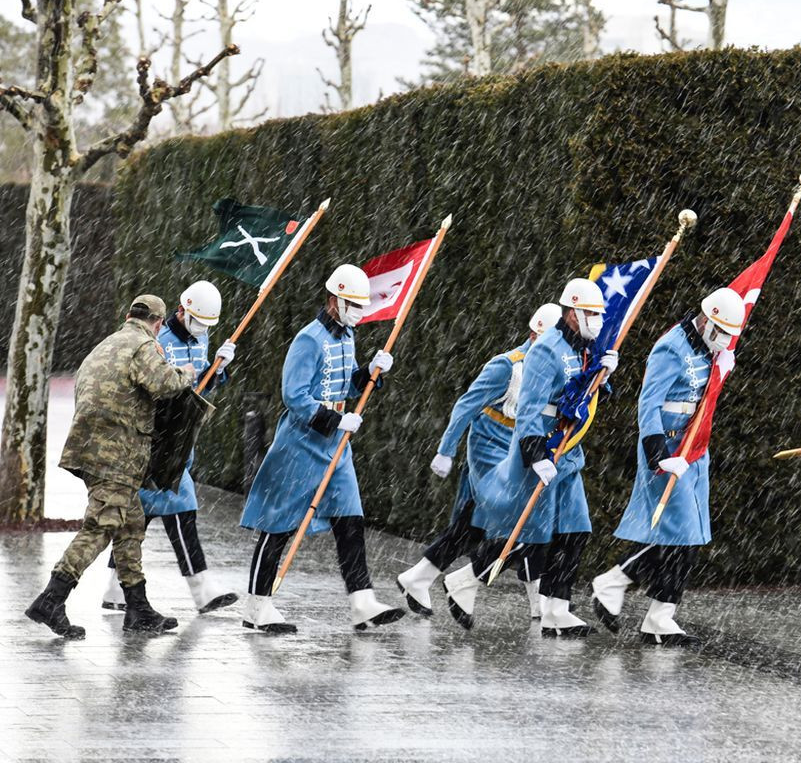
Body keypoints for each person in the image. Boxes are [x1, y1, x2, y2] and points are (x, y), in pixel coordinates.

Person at [445, 278, 618, 637]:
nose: (596, 320)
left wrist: (605, 373)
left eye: (598, 314)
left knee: (575, 531)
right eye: (589, 313)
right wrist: (536, 453)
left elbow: (583, 389)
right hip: (544, 448)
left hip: (568, 451)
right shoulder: (546, 350)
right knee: (528, 536)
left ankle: (557, 609)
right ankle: (464, 580)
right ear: (571, 312)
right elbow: (529, 409)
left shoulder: (585, 348)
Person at [238, 264, 403, 634]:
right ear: (333, 300)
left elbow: (346, 388)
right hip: (301, 444)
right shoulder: (309, 339)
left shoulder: (347, 338)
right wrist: (333, 419)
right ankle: (257, 605)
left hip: (336, 446)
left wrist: (371, 374)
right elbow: (294, 395)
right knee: (278, 524)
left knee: (350, 520)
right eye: (352, 304)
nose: (358, 311)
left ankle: (362, 602)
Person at [26, 295, 195, 638]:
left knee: (131, 524)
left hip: (92, 451)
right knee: (101, 526)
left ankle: (138, 608)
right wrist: (187, 373)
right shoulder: (143, 345)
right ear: (159, 323)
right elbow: (164, 384)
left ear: (128, 315)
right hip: (118, 455)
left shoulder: (104, 346)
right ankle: (51, 599)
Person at [590, 288, 746, 647]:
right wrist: (658, 453)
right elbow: (648, 403)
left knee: (689, 537)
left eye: (728, 335)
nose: (723, 341)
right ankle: (612, 582)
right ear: (705, 319)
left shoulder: (710, 349)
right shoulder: (671, 347)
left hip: (692, 448)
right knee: (678, 532)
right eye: (719, 331)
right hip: (667, 447)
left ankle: (660, 616)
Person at [396, 302, 562, 620]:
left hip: (521, 450)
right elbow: (466, 405)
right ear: (533, 334)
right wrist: (446, 449)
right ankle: (529, 601)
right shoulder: (506, 366)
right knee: (518, 519)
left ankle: (418, 578)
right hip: (490, 448)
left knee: (472, 526)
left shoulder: (554, 369)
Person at [101, 280, 239, 615]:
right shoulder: (158, 341)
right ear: (182, 311)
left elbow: (200, 386)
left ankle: (115, 589)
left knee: (140, 517)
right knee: (181, 508)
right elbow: (155, 386)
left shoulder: (202, 336)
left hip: (180, 438)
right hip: (159, 439)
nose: (201, 330)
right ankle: (201, 589)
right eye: (197, 322)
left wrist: (218, 370)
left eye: (207, 325)